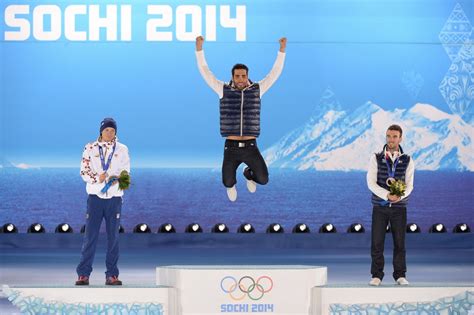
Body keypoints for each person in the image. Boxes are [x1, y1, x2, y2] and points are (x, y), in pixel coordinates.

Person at [195, 35, 287, 201]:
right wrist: (199, 48)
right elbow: (204, 70)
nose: (240, 79)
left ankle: (248, 174)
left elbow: (275, 73)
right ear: (232, 77)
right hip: (231, 147)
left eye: (243, 76)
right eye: (237, 76)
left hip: (251, 146)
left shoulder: (258, 90)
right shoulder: (222, 89)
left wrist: (281, 50)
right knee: (227, 182)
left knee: (264, 179)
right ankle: (232, 183)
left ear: (247, 76)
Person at [75, 118, 130, 286]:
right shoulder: (90, 148)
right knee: (90, 236)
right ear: (101, 131)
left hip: (114, 199)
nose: (110, 133)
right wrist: (97, 178)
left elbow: (126, 172)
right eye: (107, 130)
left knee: (113, 237)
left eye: (112, 130)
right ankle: (83, 274)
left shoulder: (122, 149)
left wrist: (118, 180)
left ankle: (112, 274)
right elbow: (83, 171)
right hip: (95, 198)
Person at [366, 124, 415, 286]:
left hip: (399, 208)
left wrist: (398, 197)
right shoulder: (376, 157)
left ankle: (400, 275)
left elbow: (410, 185)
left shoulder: (408, 159)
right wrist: (387, 195)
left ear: (400, 138)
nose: (391, 139)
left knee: (400, 243)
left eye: (394, 136)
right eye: (388, 136)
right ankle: (377, 275)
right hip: (379, 207)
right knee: (377, 242)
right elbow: (371, 183)